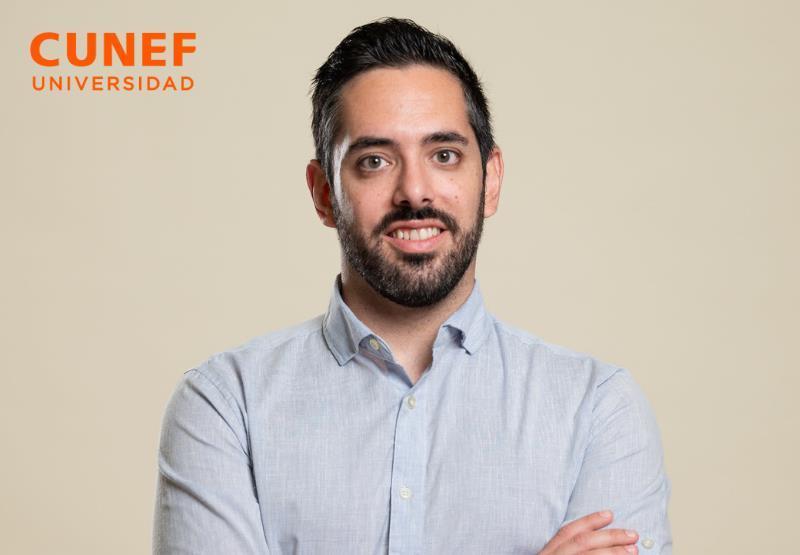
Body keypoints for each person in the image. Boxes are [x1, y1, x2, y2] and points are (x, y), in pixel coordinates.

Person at [153, 17, 672, 555]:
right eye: (374, 161)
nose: (415, 192)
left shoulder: (598, 410)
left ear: (491, 179)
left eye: (444, 155)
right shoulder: (225, 406)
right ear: (324, 193)